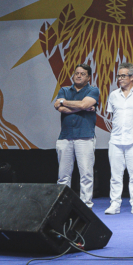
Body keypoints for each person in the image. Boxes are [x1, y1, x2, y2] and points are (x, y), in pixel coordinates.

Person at [105, 62, 133, 215]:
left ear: (132, 77)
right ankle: (114, 204)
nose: (119, 78)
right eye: (118, 76)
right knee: (115, 175)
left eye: (123, 76)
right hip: (116, 140)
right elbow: (113, 115)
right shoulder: (113, 95)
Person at [54, 63, 100, 208]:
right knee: (63, 176)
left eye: (82, 74)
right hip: (65, 137)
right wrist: (82, 107)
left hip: (85, 137)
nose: (78, 76)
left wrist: (65, 103)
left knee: (86, 174)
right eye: (76, 73)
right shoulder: (64, 89)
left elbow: (78, 105)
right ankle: (62, 204)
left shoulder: (93, 90)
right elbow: (58, 106)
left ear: (88, 77)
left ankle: (86, 205)